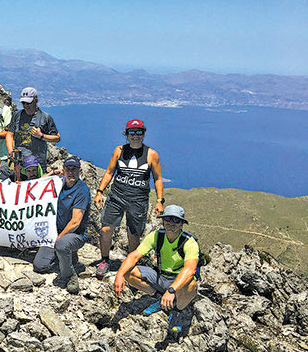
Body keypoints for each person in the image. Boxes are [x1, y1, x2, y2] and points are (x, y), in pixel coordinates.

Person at [94, 119, 165, 278]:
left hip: (138, 200)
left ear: (144, 133)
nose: (135, 136)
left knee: (133, 235)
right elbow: (109, 172)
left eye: (139, 132)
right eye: (131, 132)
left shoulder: (152, 155)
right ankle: (105, 260)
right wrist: (100, 191)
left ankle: (132, 266)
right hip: (116, 196)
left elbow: (158, 178)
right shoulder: (119, 151)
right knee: (106, 229)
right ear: (126, 134)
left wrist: (160, 201)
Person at [114, 205, 199, 333]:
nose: (171, 223)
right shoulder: (157, 236)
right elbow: (134, 255)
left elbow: (190, 270)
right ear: (163, 220)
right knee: (129, 272)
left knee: (191, 284)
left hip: (178, 281)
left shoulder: (189, 242)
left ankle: (177, 311)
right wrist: (119, 275)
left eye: (176, 220)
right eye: (168, 219)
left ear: (182, 223)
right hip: (160, 276)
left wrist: (171, 290)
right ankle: (160, 299)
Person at [32, 156, 90, 294]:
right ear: (63, 171)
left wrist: (57, 240)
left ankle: (69, 275)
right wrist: (52, 174)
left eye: (74, 169)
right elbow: (36, 185)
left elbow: (76, 222)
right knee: (39, 265)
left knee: (62, 245)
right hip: (53, 232)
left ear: (79, 171)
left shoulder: (82, 189)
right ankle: (67, 257)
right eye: (68, 169)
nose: (71, 172)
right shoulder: (58, 183)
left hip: (75, 235)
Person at [6, 87, 60, 170]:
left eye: (28, 103)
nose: (26, 106)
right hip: (20, 164)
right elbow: (9, 133)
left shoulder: (45, 117)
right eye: (23, 103)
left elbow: (57, 138)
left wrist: (41, 136)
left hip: (38, 165)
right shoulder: (17, 116)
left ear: (36, 100)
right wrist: (10, 151)